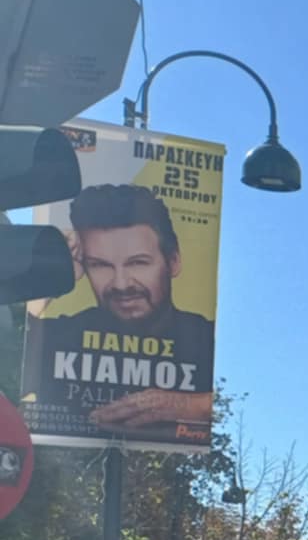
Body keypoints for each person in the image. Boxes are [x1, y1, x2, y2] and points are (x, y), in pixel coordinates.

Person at [25, 183, 215, 439]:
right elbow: (12, 369)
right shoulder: (59, 336)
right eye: (100, 265)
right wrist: (51, 280)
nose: (121, 284)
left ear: (173, 261)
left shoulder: (205, 340)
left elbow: (255, 399)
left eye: (138, 263)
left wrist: (190, 405)